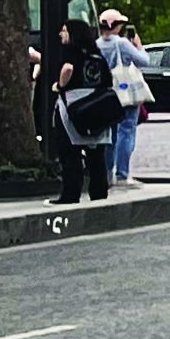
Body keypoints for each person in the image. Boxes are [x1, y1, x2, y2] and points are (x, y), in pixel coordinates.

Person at [39, 18, 117, 204]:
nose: (60, 34)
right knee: (97, 154)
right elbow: (108, 79)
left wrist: (59, 85)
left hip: (72, 106)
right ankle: (99, 192)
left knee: (69, 153)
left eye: (64, 31)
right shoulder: (96, 56)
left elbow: (67, 68)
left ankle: (71, 194)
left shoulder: (70, 53)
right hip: (97, 108)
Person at [94, 9, 152, 184]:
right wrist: (138, 46)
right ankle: (122, 173)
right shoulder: (122, 43)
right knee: (126, 130)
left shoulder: (96, 44)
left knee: (109, 134)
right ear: (116, 26)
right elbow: (144, 61)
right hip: (124, 90)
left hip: (106, 93)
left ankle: (107, 173)